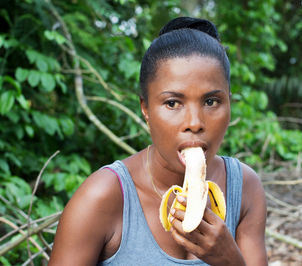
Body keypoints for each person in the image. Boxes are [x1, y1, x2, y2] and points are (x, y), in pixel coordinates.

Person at [49, 17, 267, 265]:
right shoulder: (102, 197)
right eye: (173, 103)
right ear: (146, 108)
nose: (194, 122)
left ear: (229, 103)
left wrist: (229, 259)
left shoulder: (245, 188)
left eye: (211, 102)